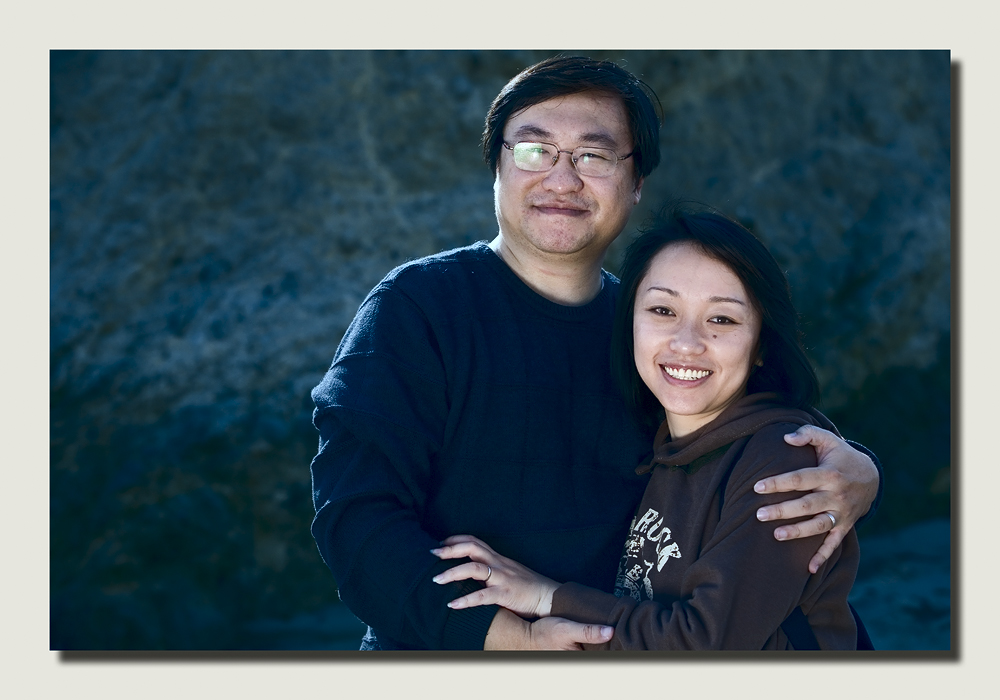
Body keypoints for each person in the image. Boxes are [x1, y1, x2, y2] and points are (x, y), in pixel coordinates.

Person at [309, 55, 882, 651]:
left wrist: (860, 471)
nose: (562, 180)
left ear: (636, 184)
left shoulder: (652, 333)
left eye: (594, 155)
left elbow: (742, 441)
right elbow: (355, 518)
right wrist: (508, 640)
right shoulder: (418, 308)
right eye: (534, 150)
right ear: (496, 167)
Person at [432, 205, 861, 650]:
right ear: (630, 323)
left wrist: (548, 596)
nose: (686, 343)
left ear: (761, 346)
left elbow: (704, 646)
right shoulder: (658, 442)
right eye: (662, 309)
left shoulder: (782, 461)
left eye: (722, 319)